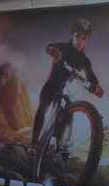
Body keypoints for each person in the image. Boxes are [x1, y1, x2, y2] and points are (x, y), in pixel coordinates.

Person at [28, 18, 104, 157]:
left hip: (63, 90)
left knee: (68, 113)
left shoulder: (84, 60)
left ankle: (59, 146)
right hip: (51, 87)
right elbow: (49, 47)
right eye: (78, 36)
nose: (80, 40)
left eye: (84, 38)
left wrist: (96, 86)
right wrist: (53, 51)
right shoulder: (63, 47)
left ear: (87, 40)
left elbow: (90, 75)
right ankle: (33, 143)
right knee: (43, 107)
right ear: (73, 35)